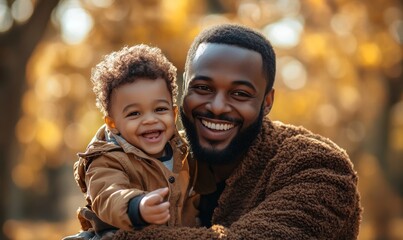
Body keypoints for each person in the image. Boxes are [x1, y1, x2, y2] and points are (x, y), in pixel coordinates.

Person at [81, 23, 362, 239]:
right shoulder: (163, 156)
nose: (216, 107)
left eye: (240, 93)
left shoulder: (318, 167)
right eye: (202, 88)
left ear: (267, 102)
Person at [64, 44, 198, 240]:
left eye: (160, 109)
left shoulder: (187, 151)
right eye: (134, 113)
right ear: (112, 123)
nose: (150, 120)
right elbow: (107, 195)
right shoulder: (107, 159)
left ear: (174, 113)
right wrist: (137, 206)